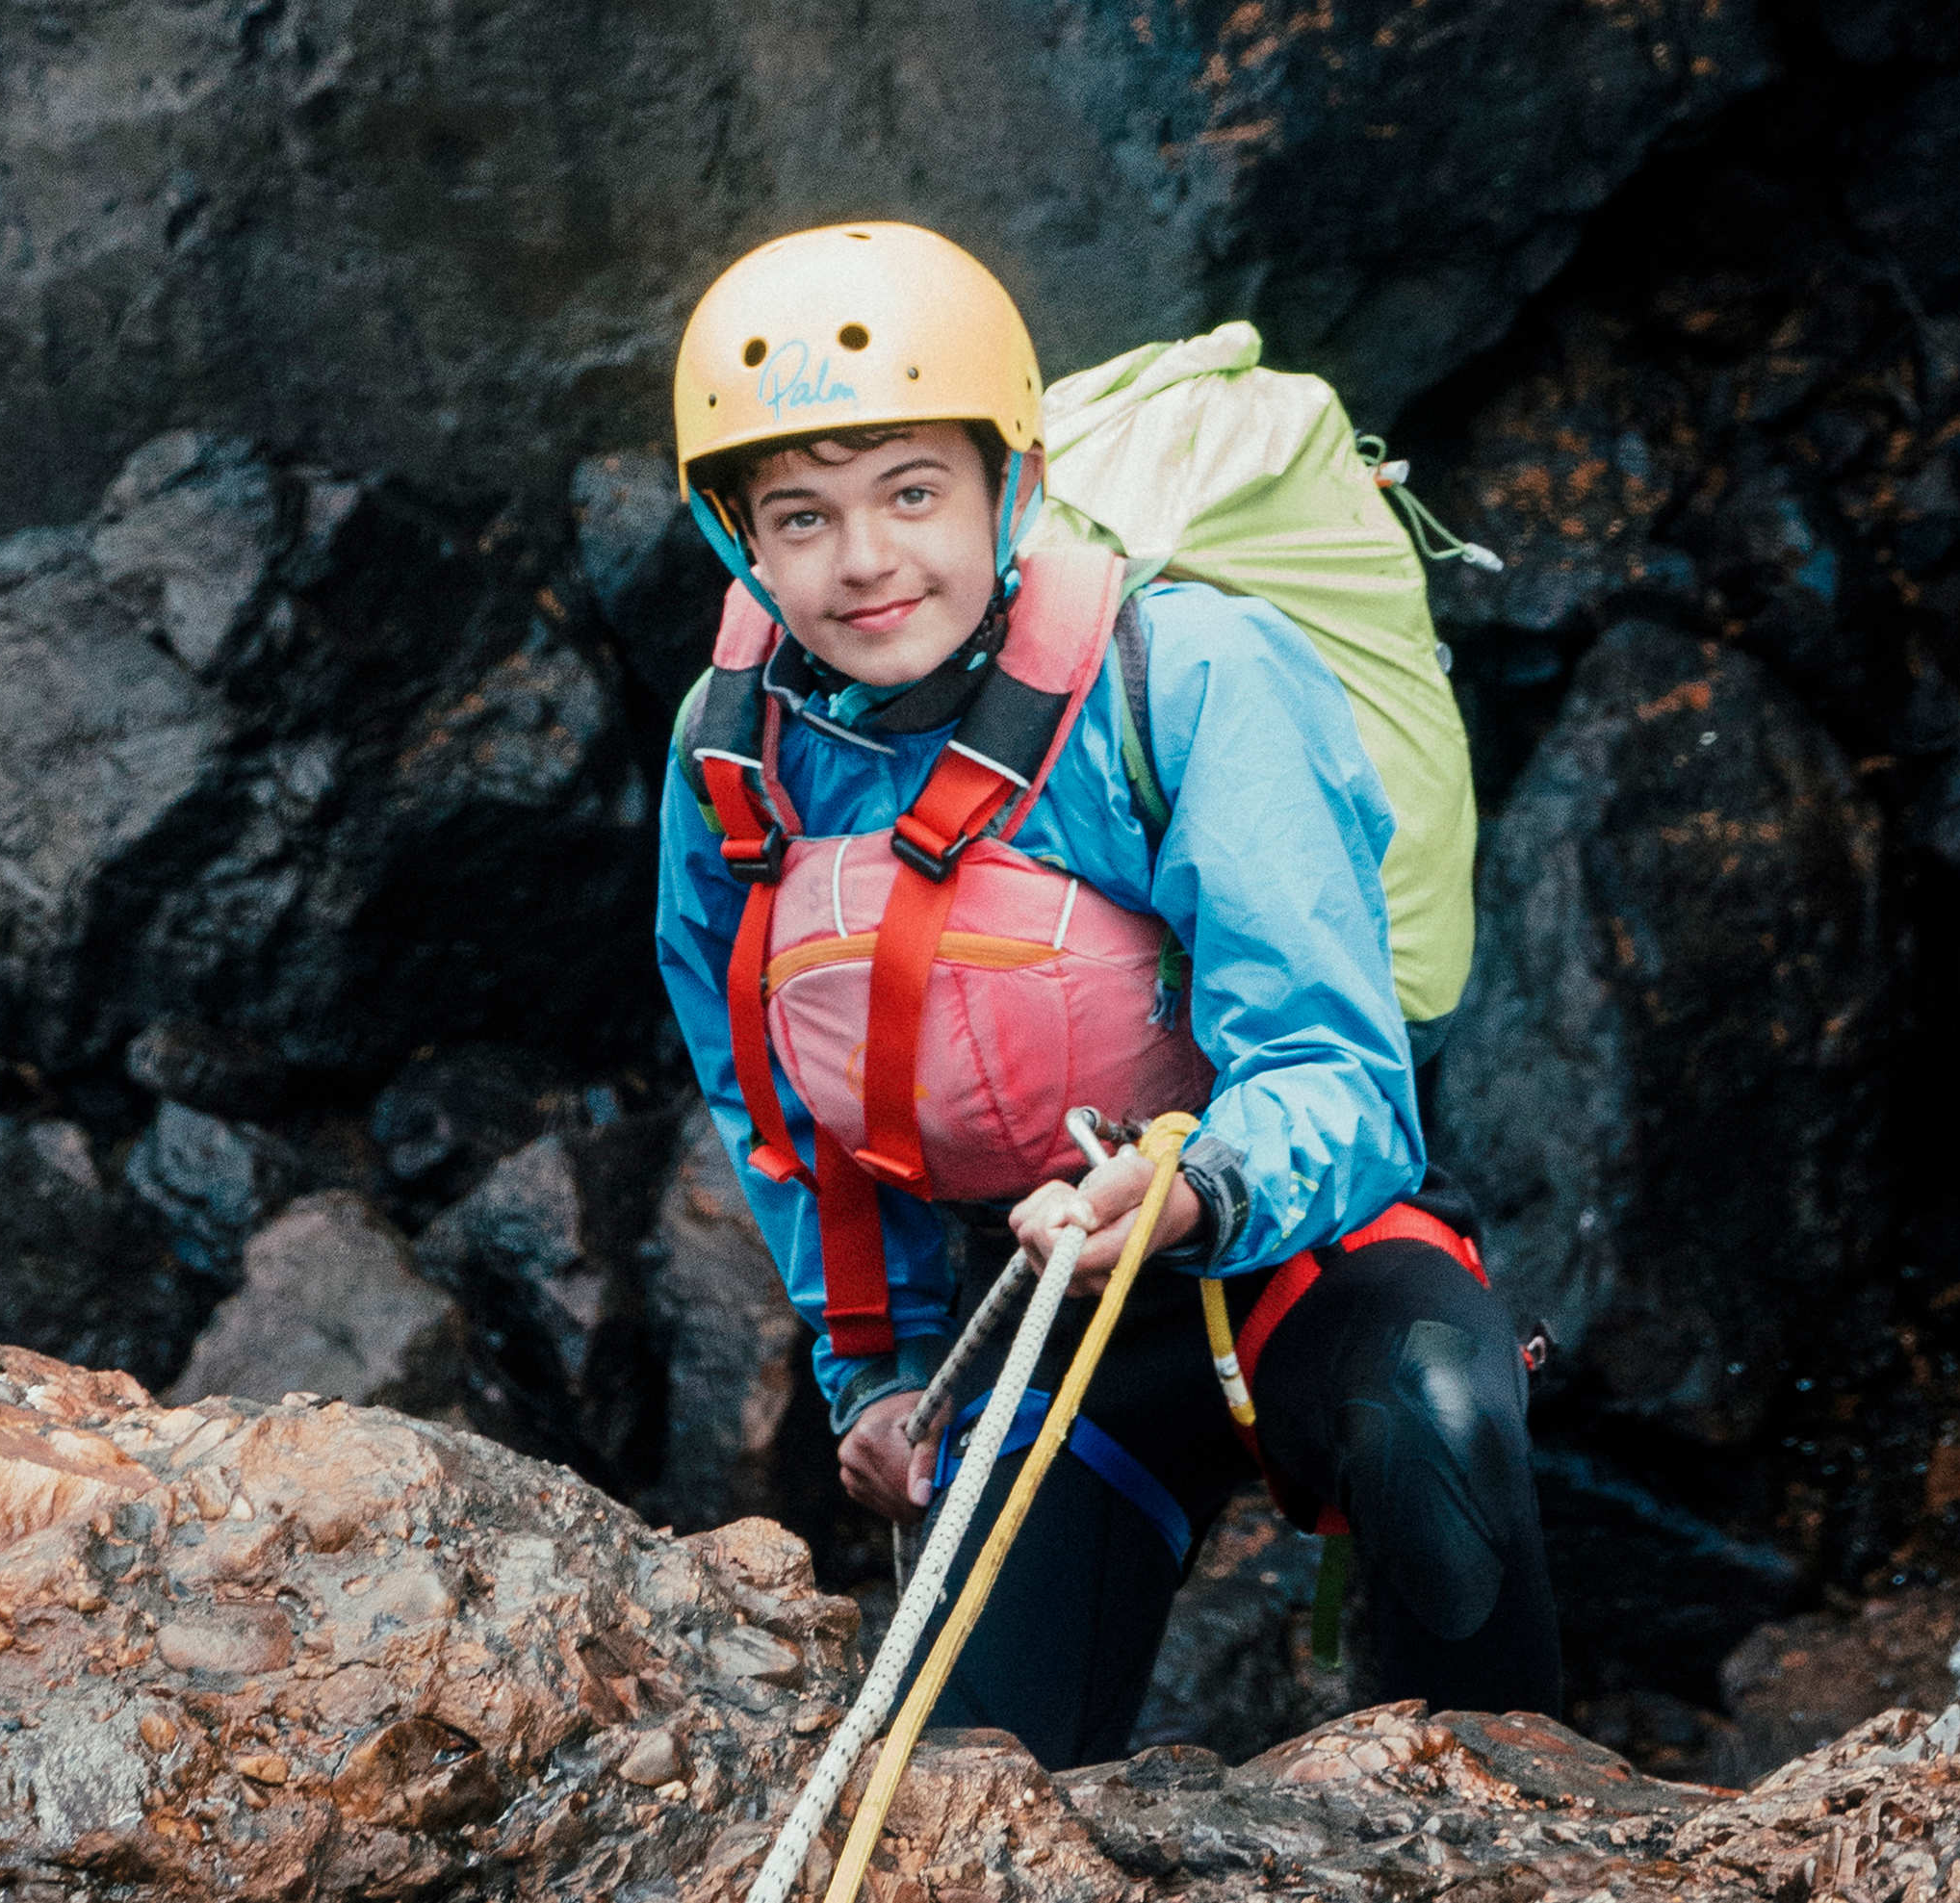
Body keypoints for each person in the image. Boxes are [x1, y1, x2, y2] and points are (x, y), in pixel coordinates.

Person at [654, 222, 1560, 1769]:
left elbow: (1343, 1072)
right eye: (801, 516)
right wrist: (872, 1373)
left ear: (1012, 480)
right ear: (741, 539)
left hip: (1306, 1270)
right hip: (1044, 1325)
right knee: (970, 1793)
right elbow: (782, 1103)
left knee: (1443, 1425)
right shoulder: (735, 760)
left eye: (912, 491)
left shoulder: (1191, 672)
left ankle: (1516, 1841)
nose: (864, 558)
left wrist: (1190, 1187)